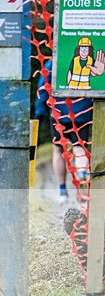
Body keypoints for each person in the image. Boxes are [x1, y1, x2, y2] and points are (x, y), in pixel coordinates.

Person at [35, 59, 93, 202]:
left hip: (59, 113)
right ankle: (81, 177)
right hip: (83, 112)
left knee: (58, 150)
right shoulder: (90, 60)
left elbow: (43, 87)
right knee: (80, 148)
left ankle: (62, 192)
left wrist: (40, 111)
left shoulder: (54, 61)